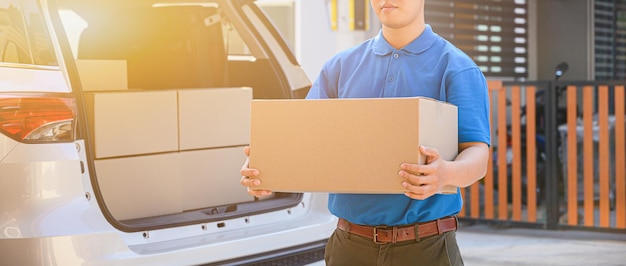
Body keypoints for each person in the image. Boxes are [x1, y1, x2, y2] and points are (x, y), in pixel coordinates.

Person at [240, 0, 490, 265]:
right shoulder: (339, 68)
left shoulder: (456, 67)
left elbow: (477, 153)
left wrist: (445, 175)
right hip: (349, 248)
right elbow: (305, 141)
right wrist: (267, 169)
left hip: (426, 249)